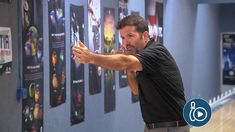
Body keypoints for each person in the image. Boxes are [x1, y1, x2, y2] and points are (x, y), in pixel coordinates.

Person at [72, 14, 189, 132]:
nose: (126, 42)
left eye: (130, 36)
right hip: (153, 126)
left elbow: (124, 62)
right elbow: (136, 89)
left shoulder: (155, 52)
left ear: (145, 36)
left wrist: (92, 58)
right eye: (123, 37)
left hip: (172, 127)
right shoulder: (140, 60)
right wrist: (130, 69)